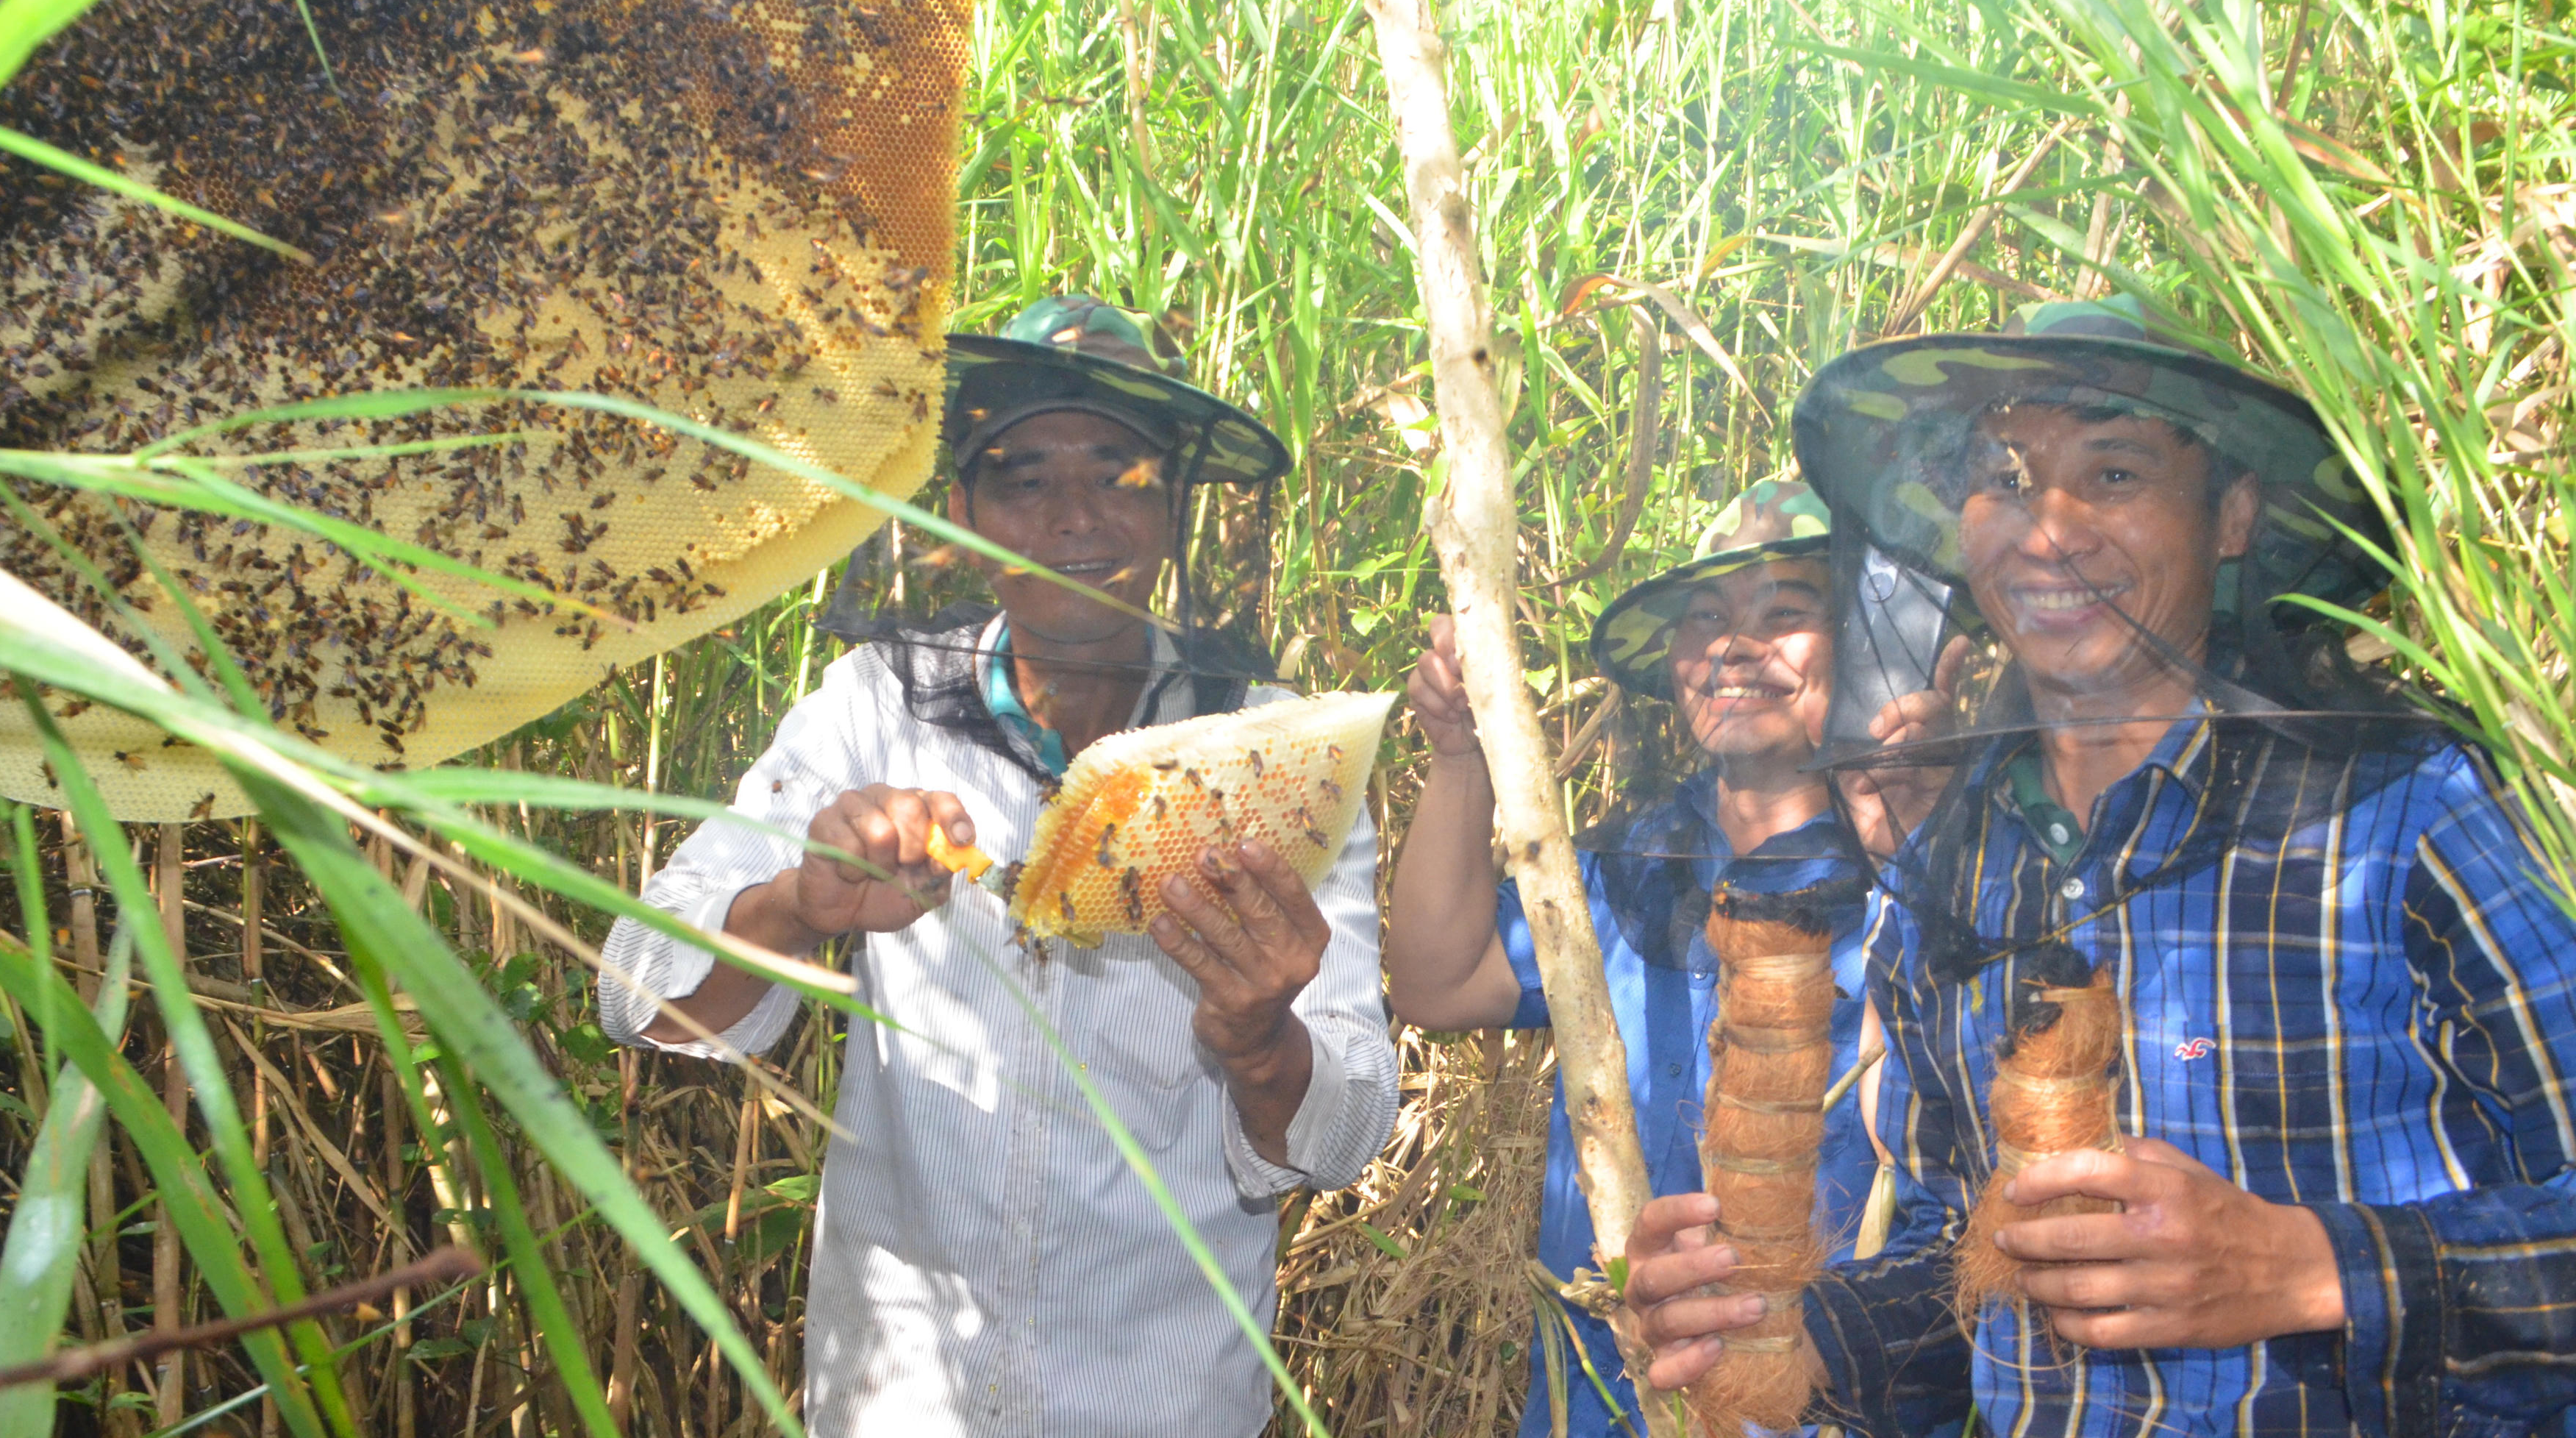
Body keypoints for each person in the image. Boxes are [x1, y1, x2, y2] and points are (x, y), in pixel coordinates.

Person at [1618, 296, 2576, 1436]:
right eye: (2005, 478)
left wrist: (2309, 1267)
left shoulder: (2410, 811)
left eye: (2114, 473)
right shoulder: (1950, 875)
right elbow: (1967, 1261)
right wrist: (1781, 1331)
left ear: (2232, 514)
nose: (2050, 529)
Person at [597, 296, 1399, 1438]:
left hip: (1163, 1404)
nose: (1076, 517)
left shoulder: (1274, 758)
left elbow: (1347, 1126)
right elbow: (637, 989)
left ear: (1172, 506)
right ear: (961, 514)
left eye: (1121, 474)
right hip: (900, 1402)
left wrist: (1263, 1037)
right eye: (1026, 480)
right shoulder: (874, 709)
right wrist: (793, 907)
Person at [1389, 480, 1916, 1434]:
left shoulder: (1917, 883)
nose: (1735, 645)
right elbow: (1438, 981)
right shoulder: (1620, 870)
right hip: (1597, 1402)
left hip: (1811, 1404)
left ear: (1866, 646)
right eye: (1706, 617)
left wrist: (1917, 864)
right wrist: (1461, 756)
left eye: (1785, 614)